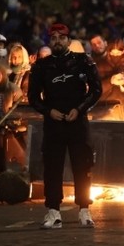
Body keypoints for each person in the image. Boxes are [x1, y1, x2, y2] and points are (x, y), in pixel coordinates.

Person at [28, 23, 102, 229]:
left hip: (77, 122)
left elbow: (96, 90)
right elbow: (33, 97)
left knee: (83, 166)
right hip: (54, 123)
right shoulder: (42, 66)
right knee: (52, 167)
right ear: (49, 42)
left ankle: (85, 209)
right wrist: (48, 111)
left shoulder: (83, 62)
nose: (58, 41)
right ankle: (53, 211)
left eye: (62, 37)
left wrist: (80, 109)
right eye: (54, 38)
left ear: (69, 41)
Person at [0, 62, 24, 172]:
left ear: (3, 75)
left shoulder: (13, 89)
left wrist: (10, 123)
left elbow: (19, 109)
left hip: (13, 126)